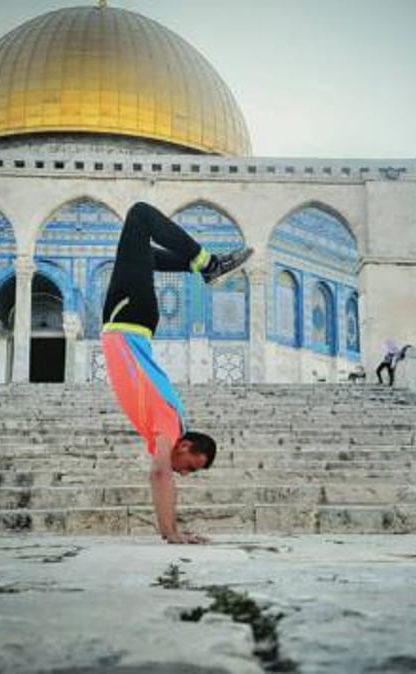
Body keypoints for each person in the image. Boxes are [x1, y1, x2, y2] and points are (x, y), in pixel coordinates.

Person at [101, 202, 253, 545]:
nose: (182, 473)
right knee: (139, 215)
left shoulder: (163, 431)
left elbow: (161, 472)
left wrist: (173, 532)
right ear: (183, 445)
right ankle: (208, 264)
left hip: (127, 321)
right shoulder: (168, 424)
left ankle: (200, 267)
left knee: (141, 253)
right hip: (130, 319)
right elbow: (159, 474)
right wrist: (171, 533)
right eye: (189, 466)